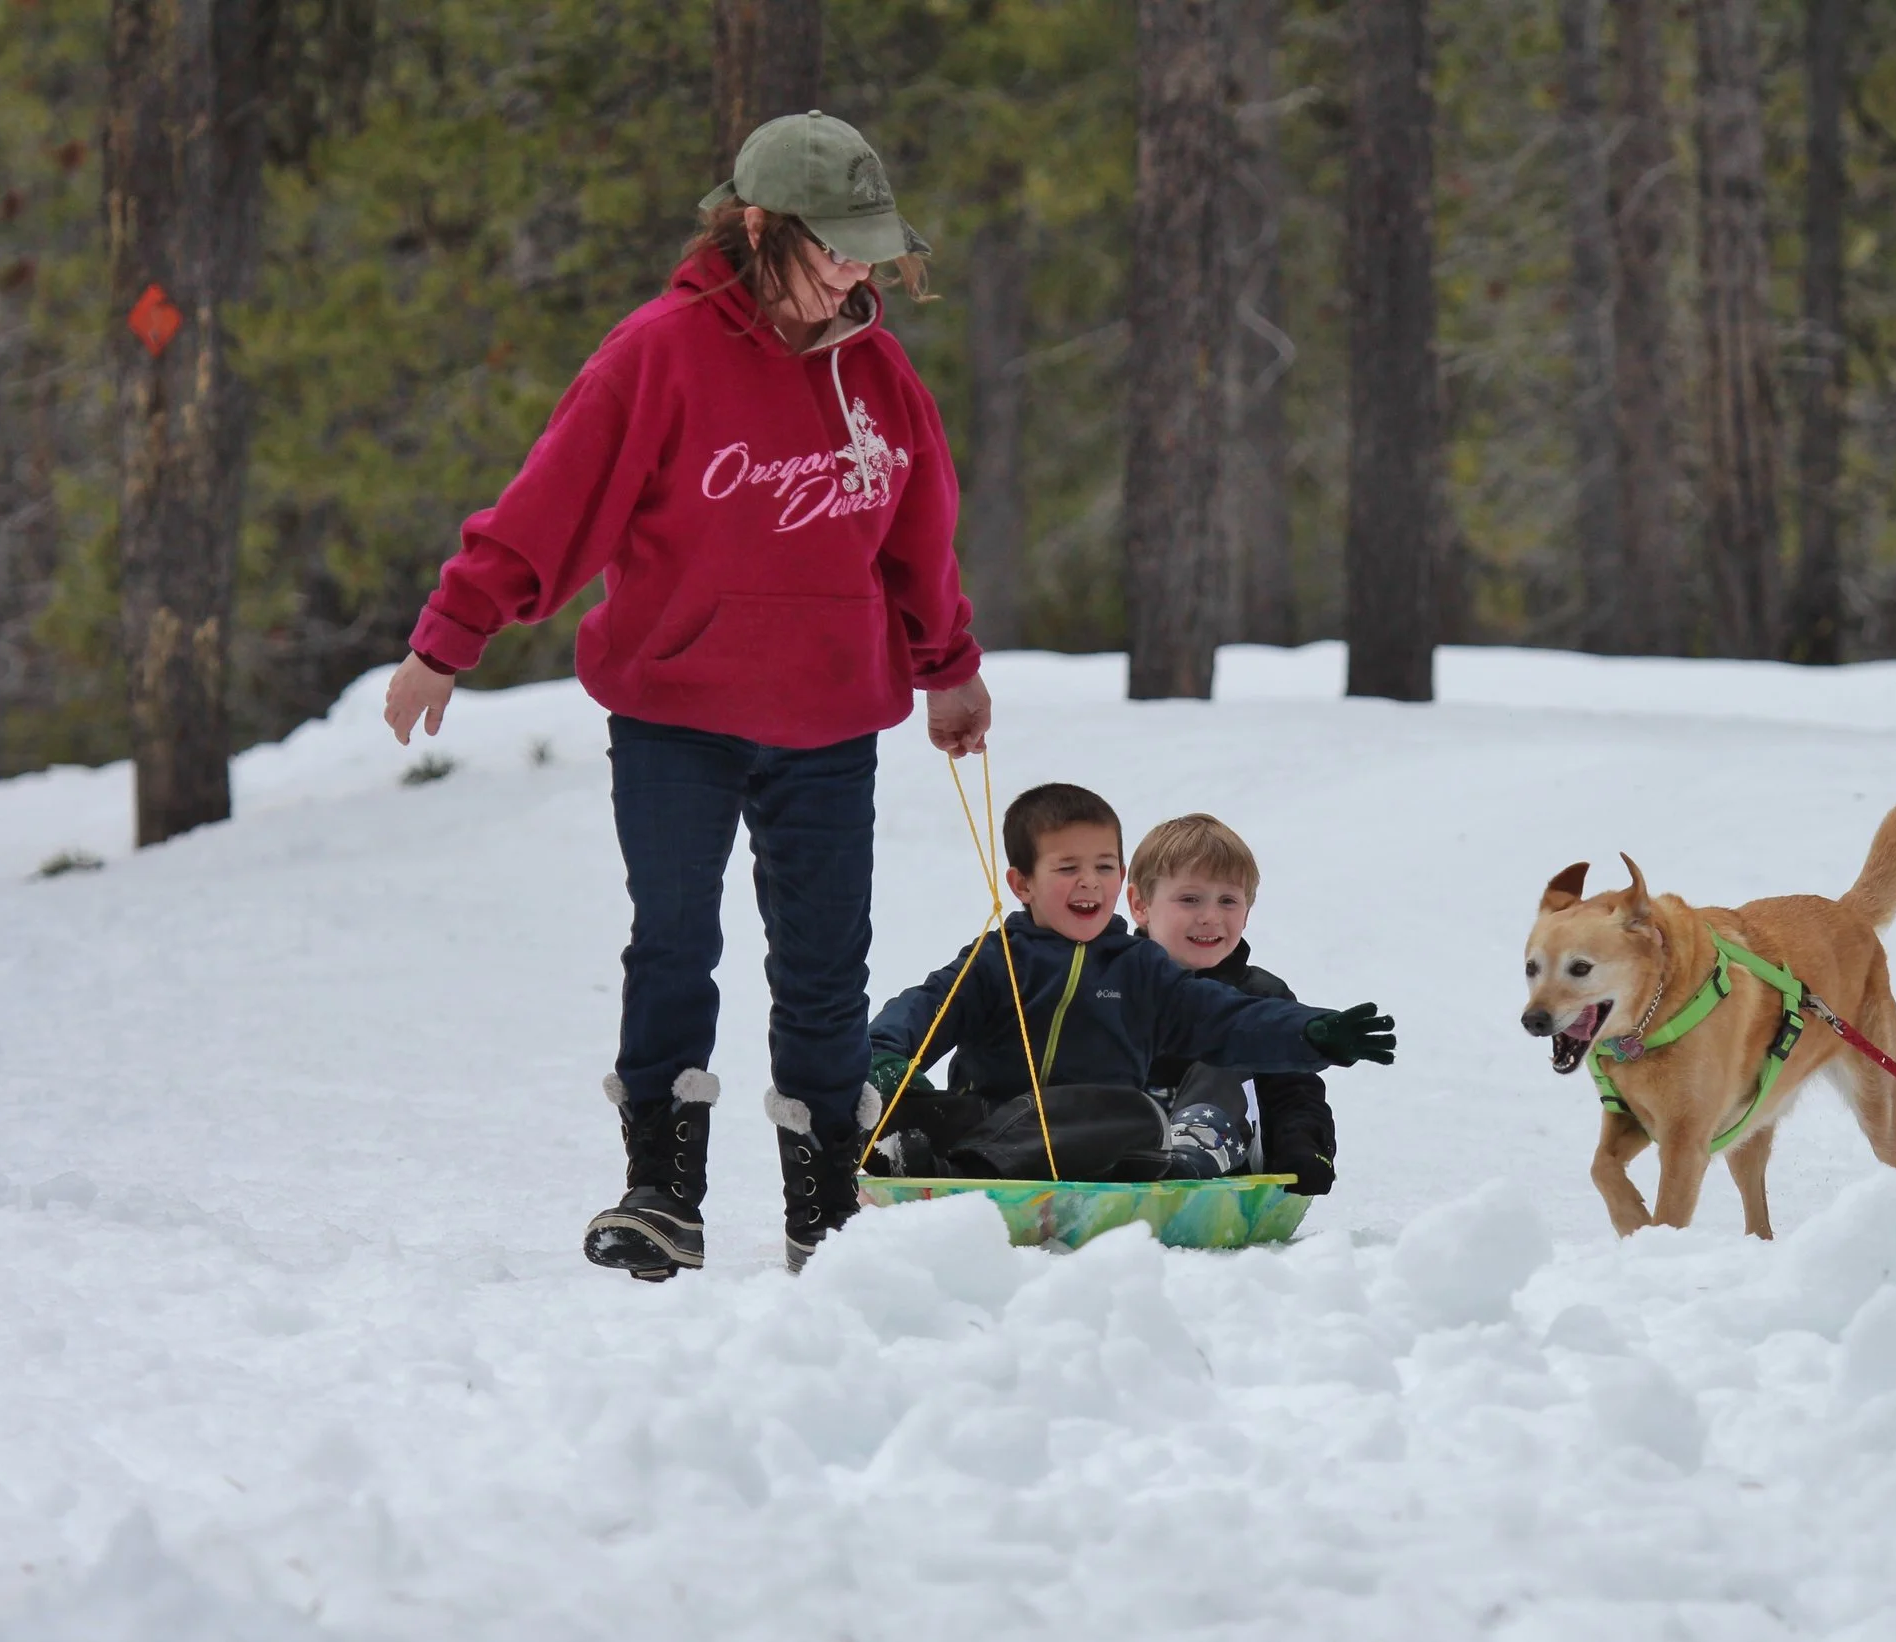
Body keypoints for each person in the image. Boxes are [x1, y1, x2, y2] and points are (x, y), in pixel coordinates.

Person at [381, 111, 993, 1277]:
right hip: (676, 717)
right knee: (672, 941)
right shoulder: (655, 354)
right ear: (758, 228)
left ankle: (825, 1204)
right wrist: (450, 635)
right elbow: (551, 505)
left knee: (825, 965)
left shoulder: (876, 367)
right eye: (833, 247)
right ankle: (661, 1189)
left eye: (866, 247)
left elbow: (919, 533)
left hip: (828, 721)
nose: (855, 271)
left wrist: (947, 665)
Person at [862, 783, 1393, 1180]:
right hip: (997, 1120)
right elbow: (927, 1006)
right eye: (1068, 868)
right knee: (894, 1097)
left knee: (1134, 1113)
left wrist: (1312, 1034)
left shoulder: (1141, 972)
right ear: (1023, 884)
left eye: (1104, 867)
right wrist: (886, 1055)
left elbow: (1231, 1021)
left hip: (1095, 1133)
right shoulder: (996, 961)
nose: (1089, 883)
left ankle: (953, 1169)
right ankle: (912, 1151)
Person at [1125, 813, 1337, 1193]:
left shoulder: (1259, 996)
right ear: (1141, 905)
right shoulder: (1109, 986)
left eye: (1228, 901)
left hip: (1232, 1162)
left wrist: (1304, 1150)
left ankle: (1193, 1148)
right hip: (1125, 1144)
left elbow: (1294, 1091)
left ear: (1247, 912)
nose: (1210, 917)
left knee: (1227, 1044)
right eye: (1190, 899)